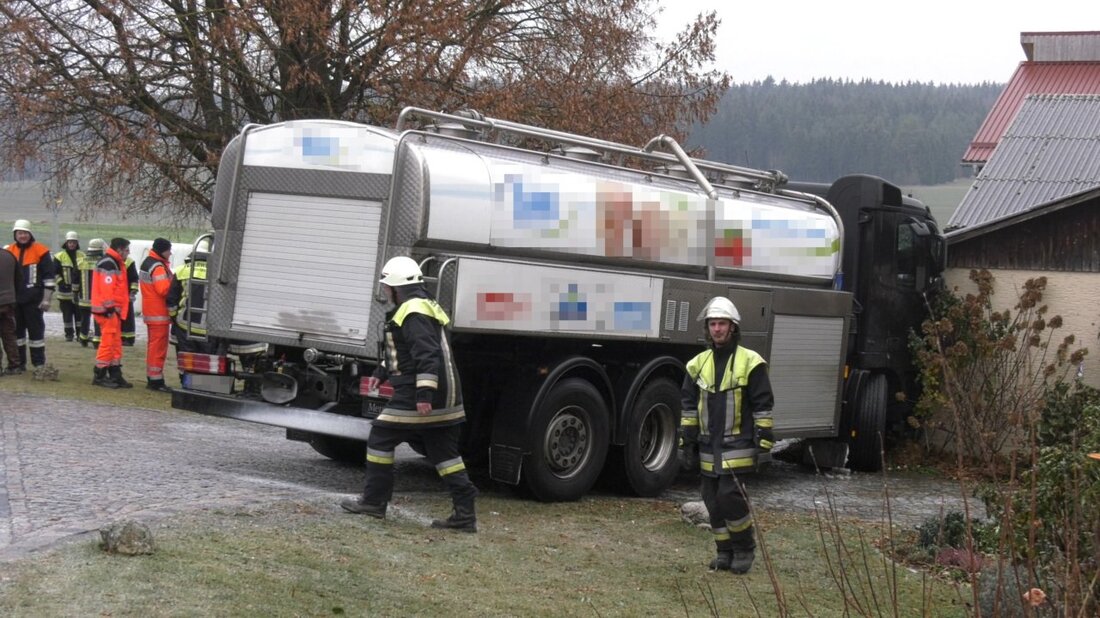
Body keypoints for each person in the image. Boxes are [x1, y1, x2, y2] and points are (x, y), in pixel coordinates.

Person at [340, 256, 478, 533]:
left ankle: (374, 502)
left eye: (385, 285)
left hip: (423, 393)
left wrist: (424, 394)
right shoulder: (420, 306)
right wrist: (381, 373)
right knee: (445, 454)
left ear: (395, 286)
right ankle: (465, 514)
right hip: (446, 395)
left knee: (380, 437)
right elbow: (406, 353)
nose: (384, 291)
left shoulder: (413, 311)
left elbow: (426, 354)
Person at [680, 296, 775, 574]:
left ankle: (745, 549)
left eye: (722, 323)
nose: (717, 329)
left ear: (733, 327)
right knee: (712, 499)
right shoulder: (696, 364)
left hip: (739, 444)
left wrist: (765, 441)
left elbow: (762, 403)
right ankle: (724, 552)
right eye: (712, 324)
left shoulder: (751, 362)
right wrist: (686, 441)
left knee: (730, 496)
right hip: (709, 445)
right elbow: (687, 405)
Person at [4, 220, 56, 374]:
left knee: (36, 333)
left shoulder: (41, 251)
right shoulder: (9, 251)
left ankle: (39, 364)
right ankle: (19, 364)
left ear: (30, 234)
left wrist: (46, 298)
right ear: (15, 234)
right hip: (14, 301)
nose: (23, 236)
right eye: (20, 233)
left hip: (34, 300)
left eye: (25, 233)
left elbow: (49, 277)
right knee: (16, 334)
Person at [91, 237, 133, 389]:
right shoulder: (109, 263)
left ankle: (115, 374)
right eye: (127, 250)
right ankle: (100, 374)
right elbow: (107, 288)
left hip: (112, 310)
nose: (128, 254)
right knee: (108, 342)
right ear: (120, 249)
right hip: (107, 311)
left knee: (115, 343)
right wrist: (110, 308)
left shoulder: (113, 262)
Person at [139, 238, 174, 391]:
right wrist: (175, 286)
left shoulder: (148, 262)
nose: (170, 253)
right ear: (162, 250)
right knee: (158, 349)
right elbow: (163, 290)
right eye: (168, 250)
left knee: (153, 346)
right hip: (159, 313)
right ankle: (155, 380)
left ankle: (153, 377)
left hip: (151, 311)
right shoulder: (158, 267)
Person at [53, 231, 84, 342]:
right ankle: (69, 335)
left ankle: (80, 334)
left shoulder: (82, 256)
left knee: (79, 315)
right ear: (66, 243)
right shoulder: (59, 256)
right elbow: (55, 272)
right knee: (67, 315)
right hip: (64, 292)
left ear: (77, 243)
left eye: (74, 242)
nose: (72, 244)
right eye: (70, 242)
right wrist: (61, 283)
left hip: (79, 291)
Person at [76, 238, 105, 347]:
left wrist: (75, 293)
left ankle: (83, 339)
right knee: (98, 320)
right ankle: (97, 341)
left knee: (84, 320)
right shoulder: (102, 262)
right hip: (97, 300)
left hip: (83, 298)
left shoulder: (81, 261)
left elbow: (75, 280)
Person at [0, 246, 22, 374]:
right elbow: (19, 278)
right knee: (9, 334)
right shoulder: (9, 255)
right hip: (8, 302)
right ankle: (15, 365)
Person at [121, 254, 139, 347]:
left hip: (126, 294)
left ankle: (129, 338)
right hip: (116, 295)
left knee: (128, 316)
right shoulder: (112, 261)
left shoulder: (129, 262)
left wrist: (132, 291)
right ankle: (120, 337)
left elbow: (134, 278)